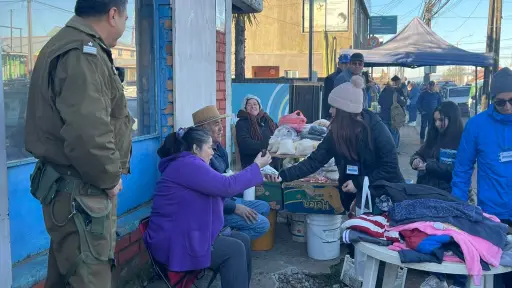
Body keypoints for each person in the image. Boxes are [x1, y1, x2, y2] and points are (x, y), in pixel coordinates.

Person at [23, 1, 132, 286]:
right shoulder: (82, 53)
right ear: (113, 15)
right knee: (89, 277)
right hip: (81, 194)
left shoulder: (72, 46)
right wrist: (109, 177)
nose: (125, 24)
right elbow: (88, 132)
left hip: (72, 192)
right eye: (126, 16)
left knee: (68, 275)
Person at [145, 127, 272, 288]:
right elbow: (227, 186)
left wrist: (257, 173)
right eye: (209, 147)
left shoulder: (189, 163)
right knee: (234, 250)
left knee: (243, 239)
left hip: (186, 232)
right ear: (195, 148)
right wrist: (256, 166)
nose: (212, 152)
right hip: (174, 241)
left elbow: (222, 186)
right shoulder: (187, 164)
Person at [266, 75, 404, 212]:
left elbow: (390, 166)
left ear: (345, 111)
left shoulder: (376, 129)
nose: (330, 111)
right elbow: (314, 161)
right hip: (355, 200)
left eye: (334, 107)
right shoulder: (336, 133)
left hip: (385, 198)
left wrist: (358, 183)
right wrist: (283, 175)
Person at [451, 67, 512, 288]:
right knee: (493, 280)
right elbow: (462, 169)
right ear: (492, 100)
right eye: (501, 102)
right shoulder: (477, 125)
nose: (507, 107)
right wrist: (457, 208)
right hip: (492, 217)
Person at [410, 101, 467, 288]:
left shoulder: (462, 139)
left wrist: (430, 166)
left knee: (452, 237)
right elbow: (419, 153)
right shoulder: (433, 136)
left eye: (441, 120)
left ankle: (458, 279)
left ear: (451, 118)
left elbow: (458, 168)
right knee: (432, 235)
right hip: (427, 192)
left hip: (449, 194)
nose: (437, 124)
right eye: (434, 120)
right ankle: (437, 275)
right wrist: (416, 160)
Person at [194, 105, 271, 240]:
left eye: (221, 123)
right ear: (202, 129)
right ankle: (224, 242)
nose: (221, 128)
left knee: (264, 206)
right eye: (216, 124)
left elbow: (226, 176)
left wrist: (259, 173)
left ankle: (231, 237)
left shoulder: (218, 148)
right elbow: (212, 193)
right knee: (262, 224)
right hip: (215, 208)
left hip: (226, 198)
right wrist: (235, 207)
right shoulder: (199, 156)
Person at [235, 96, 278, 169]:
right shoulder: (242, 123)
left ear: (259, 106)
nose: (252, 106)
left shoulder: (267, 120)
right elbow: (245, 145)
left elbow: (278, 133)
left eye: (255, 104)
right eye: (249, 105)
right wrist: (267, 146)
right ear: (245, 108)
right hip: (253, 163)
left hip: (272, 160)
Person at [378, 75, 407, 149]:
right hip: (394, 117)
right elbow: (403, 103)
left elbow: (379, 102)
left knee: (386, 134)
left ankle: (387, 149)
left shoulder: (382, 93)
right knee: (394, 133)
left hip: (384, 116)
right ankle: (393, 150)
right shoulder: (395, 93)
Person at [322, 53, 350, 119]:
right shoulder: (331, 78)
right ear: (339, 64)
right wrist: (328, 115)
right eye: (344, 63)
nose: (346, 65)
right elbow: (327, 98)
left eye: (348, 63)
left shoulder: (350, 77)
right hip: (334, 114)